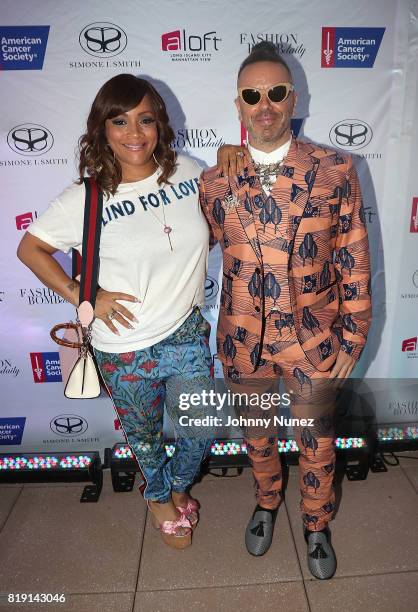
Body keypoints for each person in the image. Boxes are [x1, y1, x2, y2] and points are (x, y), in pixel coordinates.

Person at [17, 73, 218, 550]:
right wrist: (82, 294)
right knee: (145, 437)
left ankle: (177, 486)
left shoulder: (189, 172)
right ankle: (159, 497)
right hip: (121, 347)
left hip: (184, 333)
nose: (134, 133)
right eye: (120, 121)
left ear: (160, 124)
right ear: (102, 130)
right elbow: (31, 250)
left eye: (145, 119)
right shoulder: (84, 197)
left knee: (202, 428)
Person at [199, 42, 372, 578]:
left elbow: (354, 256)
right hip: (242, 337)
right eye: (253, 95)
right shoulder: (214, 181)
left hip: (313, 338)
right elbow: (182, 251)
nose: (265, 104)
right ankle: (268, 499)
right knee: (256, 433)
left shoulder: (336, 168)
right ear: (239, 105)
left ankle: (316, 522)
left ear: (293, 98)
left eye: (276, 92)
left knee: (317, 441)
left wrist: (354, 334)